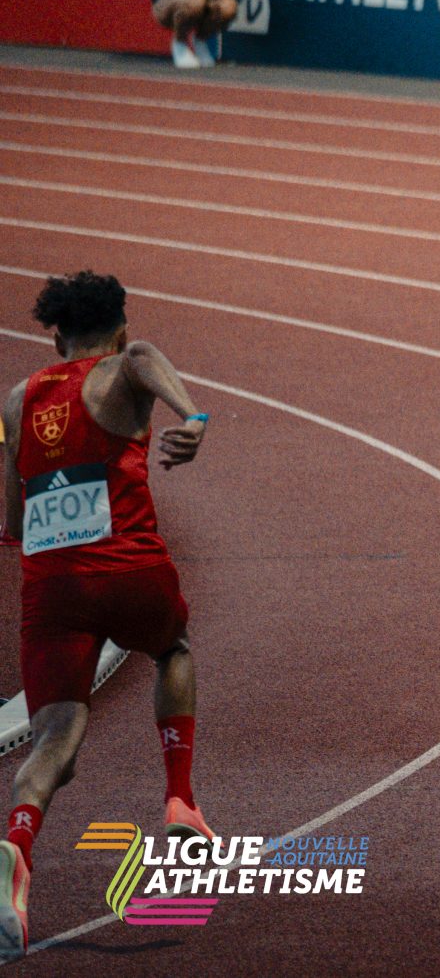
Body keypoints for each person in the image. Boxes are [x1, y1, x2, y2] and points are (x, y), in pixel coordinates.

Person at [1, 271, 214, 961]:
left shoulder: (16, 398)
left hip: (52, 588)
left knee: (54, 741)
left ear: (55, 335)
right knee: (174, 648)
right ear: (116, 330)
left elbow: (12, 518)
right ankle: (179, 798)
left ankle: (15, 846)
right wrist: (192, 417)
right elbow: (148, 356)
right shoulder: (125, 367)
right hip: (130, 569)